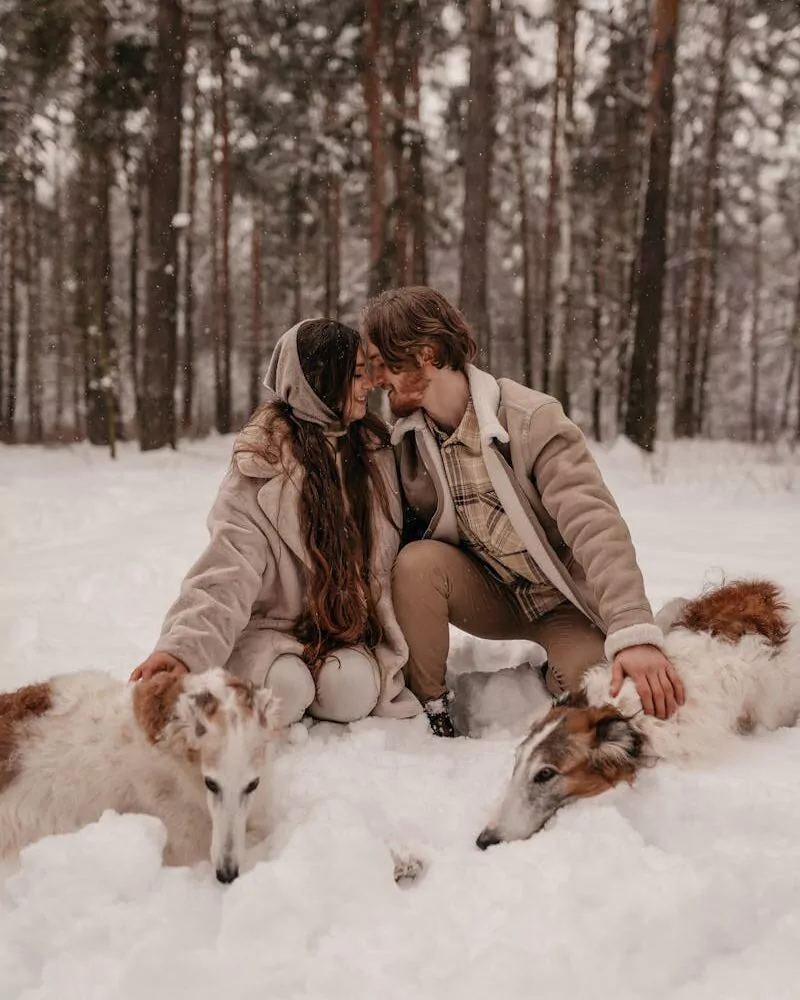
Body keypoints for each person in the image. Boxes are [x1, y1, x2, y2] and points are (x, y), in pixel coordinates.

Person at [361, 286, 684, 737]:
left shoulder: (531, 419)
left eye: (383, 363)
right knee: (416, 564)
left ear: (427, 353)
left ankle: (551, 675)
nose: (376, 379)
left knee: (596, 689)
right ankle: (430, 709)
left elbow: (595, 525)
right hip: (488, 591)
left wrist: (632, 629)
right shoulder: (408, 442)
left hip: (559, 599)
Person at [131, 319, 420, 726]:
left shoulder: (378, 453)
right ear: (321, 382)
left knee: (351, 692)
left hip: (347, 629)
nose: (368, 384)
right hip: (273, 631)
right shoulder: (261, 463)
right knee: (285, 691)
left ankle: (323, 678)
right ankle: (281, 678)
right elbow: (227, 570)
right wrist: (183, 650)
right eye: (355, 375)